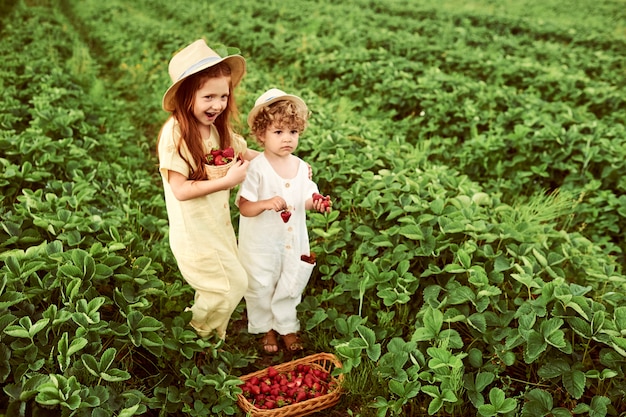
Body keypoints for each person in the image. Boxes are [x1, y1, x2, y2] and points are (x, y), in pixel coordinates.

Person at [157, 39, 258, 340]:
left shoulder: (216, 130)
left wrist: (286, 163)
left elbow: (248, 153)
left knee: (225, 286)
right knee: (229, 285)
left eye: (223, 96)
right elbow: (181, 189)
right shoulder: (174, 133)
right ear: (188, 96)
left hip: (218, 228)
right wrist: (228, 181)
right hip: (195, 233)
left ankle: (213, 338)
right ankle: (195, 337)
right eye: (208, 97)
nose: (218, 105)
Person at [236, 88, 332, 354]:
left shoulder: (301, 167)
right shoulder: (255, 168)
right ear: (261, 135)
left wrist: (317, 202)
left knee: (291, 280)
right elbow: (244, 207)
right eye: (278, 132)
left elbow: (305, 198)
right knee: (261, 283)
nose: (287, 139)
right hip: (262, 243)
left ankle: (287, 326)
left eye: (293, 132)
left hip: (292, 240)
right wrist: (266, 203)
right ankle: (264, 327)